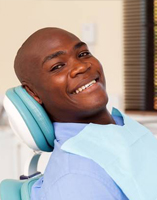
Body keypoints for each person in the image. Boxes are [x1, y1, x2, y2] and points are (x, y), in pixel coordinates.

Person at [14, 27, 128, 200]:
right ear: (33, 93)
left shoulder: (121, 127)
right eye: (58, 66)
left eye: (83, 54)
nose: (81, 66)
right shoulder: (78, 180)